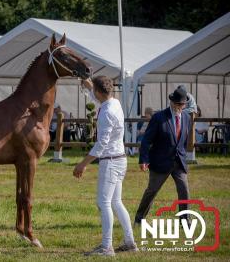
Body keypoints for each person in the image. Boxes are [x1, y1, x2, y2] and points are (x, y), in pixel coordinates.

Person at [73, 76, 137, 257]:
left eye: (94, 91)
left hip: (110, 160)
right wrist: (87, 82)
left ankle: (107, 247)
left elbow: (101, 145)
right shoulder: (114, 102)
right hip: (120, 159)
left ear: (99, 92)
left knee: (104, 202)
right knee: (116, 202)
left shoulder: (107, 112)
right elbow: (97, 96)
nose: (93, 94)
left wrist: (82, 164)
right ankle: (129, 241)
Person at [134, 87, 191, 225]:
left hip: (179, 162)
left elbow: (183, 140)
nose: (180, 107)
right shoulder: (159, 117)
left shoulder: (187, 117)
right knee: (152, 191)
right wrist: (144, 159)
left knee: (184, 190)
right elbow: (147, 140)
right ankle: (139, 219)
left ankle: (185, 221)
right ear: (171, 102)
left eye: (182, 104)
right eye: (178, 104)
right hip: (160, 162)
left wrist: (183, 156)